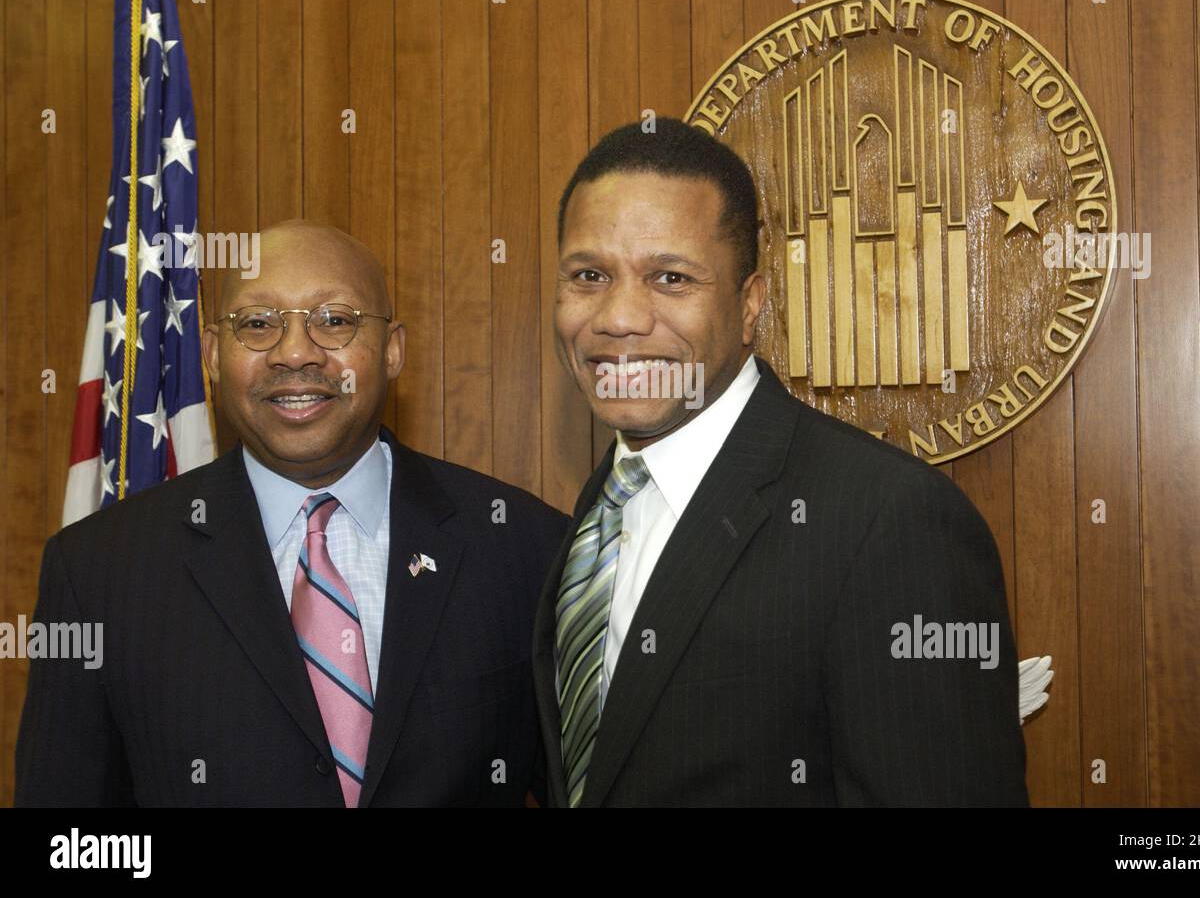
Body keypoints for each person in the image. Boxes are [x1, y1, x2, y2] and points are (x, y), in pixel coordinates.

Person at [534, 119, 1029, 806]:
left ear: (749, 305)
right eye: (589, 275)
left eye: (670, 277)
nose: (619, 317)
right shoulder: (602, 508)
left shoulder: (889, 523)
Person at [16, 220, 566, 806]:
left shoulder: (524, 547)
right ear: (210, 354)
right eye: (257, 324)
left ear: (393, 349)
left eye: (335, 320)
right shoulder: (98, 571)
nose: (296, 353)